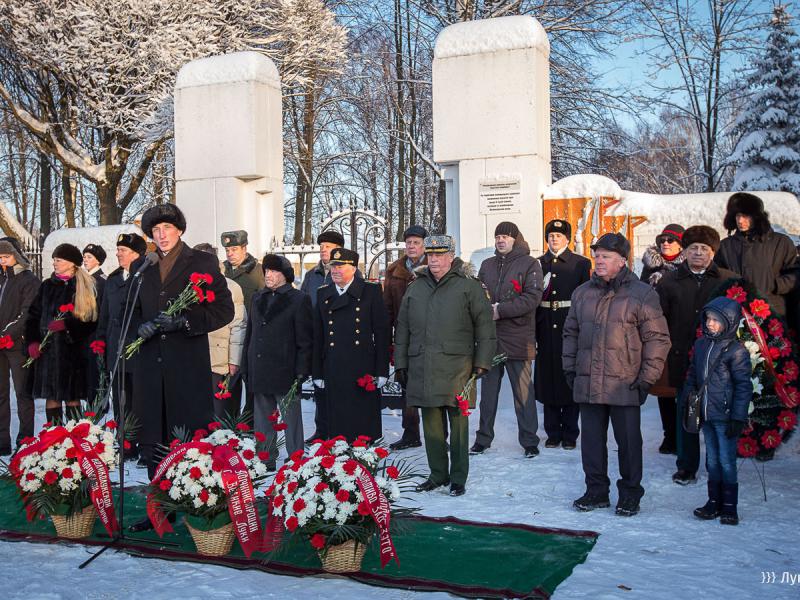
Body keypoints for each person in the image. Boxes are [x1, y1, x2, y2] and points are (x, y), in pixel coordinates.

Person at [128, 204, 234, 532]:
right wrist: (139, 327)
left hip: (186, 366)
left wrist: (184, 321)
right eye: (155, 230)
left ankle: (192, 502)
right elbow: (129, 311)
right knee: (153, 439)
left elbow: (224, 310)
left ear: (180, 230)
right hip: (150, 367)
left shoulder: (201, 262)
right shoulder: (143, 265)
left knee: (185, 438)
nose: (161, 235)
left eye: (167, 229)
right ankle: (160, 510)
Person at [563, 233, 670, 517]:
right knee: (591, 443)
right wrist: (570, 368)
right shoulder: (582, 293)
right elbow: (570, 333)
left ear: (622, 261)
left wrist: (648, 377)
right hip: (588, 379)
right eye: (597, 255)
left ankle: (630, 494)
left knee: (629, 443)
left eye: (606, 256)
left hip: (626, 381)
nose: (599, 261)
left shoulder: (642, 294)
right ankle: (596, 491)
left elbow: (658, 339)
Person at [394, 235, 496, 497]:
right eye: (431, 255)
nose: (434, 260)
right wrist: (401, 363)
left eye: (440, 255)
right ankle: (438, 474)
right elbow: (403, 328)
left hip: (458, 367)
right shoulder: (416, 287)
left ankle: (458, 478)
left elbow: (485, 327)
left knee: (459, 426)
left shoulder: (469, 286)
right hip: (423, 366)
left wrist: (482, 362)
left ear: (451, 257)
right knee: (431, 425)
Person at [657, 226, 737, 485]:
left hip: (719, 361)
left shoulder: (728, 280)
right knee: (687, 413)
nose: (699, 253)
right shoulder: (669, 282)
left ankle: (719, 464)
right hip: (683, 359)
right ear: (685, 251)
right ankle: (686, 466)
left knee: (718, 415)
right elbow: (659, 320)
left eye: (704, 248)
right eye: (693, 248)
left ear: (713, 252)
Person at [472, 221, 543, 458]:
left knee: (523, 393)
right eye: (497, 237)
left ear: (515, 239)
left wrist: (500, 310)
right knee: (488, 393)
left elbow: (532, 298)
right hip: (491, 339)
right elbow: (478, 294)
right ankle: (483, 439)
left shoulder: (530, 264)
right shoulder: (487, 265)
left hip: (518, 337)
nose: (500, 240)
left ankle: (529, 441)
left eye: (505, 236)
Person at [685, 297, 751, 526]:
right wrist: (688, 399)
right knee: (712, 460)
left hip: (725, 416)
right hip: (706, 414)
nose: (710, 323)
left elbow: (743, 386)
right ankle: (714, 501)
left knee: (726, 461)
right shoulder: (701, 345)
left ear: (729, 322)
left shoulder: (736, 351)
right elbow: (693, 374)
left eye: (716, 320)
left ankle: (730, 506)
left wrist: (738, 416)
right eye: (708, 319)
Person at [312, 248, 389, 442]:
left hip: (362, 366)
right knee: (337, 421)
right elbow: (318, 336)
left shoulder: (370, 291)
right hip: (333, 366)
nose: (335, 270)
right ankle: (339, 456)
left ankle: (364, 456)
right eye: (333, 266)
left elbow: (382, 333)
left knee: (363, 421)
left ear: (354, 268)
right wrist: (317, 372)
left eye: (341, 266)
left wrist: (381, 371)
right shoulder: (323, 293)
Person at [243, 254, 312, 467]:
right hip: (260, 367)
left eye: (274, 271)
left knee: (291, 419)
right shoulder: (258, 297)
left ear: (285, 275)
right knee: (263, 418)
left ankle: (296, 459)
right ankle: (266, 458)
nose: (268, 275)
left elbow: (305, 339)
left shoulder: (298, 299)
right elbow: (250, 333)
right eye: (266, 271)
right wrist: (247, 364)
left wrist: (301, 370)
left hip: (285, 369)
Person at [25, 243, 98, 424]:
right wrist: (33, 341)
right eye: (54, 260)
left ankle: (76, 436)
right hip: (48, 354)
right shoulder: (47, 286)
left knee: (72, 397)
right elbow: (33, 316)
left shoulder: (83, 286)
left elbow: (91, 321)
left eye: (59, 260)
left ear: (71, 263)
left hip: (73, 355)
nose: (55, 263)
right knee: (52, 397)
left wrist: (67, 325)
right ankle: (53, 437)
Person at [535, 219, 591, 450]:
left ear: (567, 238)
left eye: (559, 235)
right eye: (551, 235)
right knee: (548, 378)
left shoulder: (580, 263)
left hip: (570, 326)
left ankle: (570, 432)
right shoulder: (538, 264)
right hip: (545, 326)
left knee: (569, 377)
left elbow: (586, 298)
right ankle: (552, 432)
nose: (554, 239)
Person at [95, 232, 147, 457]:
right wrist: (100, 339)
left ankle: (144, 443)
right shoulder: (113, 279)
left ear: (136, 254)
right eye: (118, 250)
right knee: (120, 398)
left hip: (139, 346)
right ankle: (125, 442)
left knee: (140, 398)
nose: (118, 254)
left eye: (123, 250)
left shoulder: (145, 277)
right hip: (116, 345)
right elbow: (105, 314)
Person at [383, 225, 428, 450]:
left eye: (416, 242)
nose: (411, 246)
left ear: (424, 245)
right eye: (408, 242)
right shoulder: (394, 271)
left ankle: (440, 436)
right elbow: (387, 309)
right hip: (404, 336)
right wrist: (388, 340)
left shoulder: (434, 266)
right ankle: (411, 434)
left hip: (429, 335)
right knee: (406, 387)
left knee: (433, 385)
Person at [715, 192, 796, 315]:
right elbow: (717, 275)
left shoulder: (781, 242)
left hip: (772, 311)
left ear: (757, 217)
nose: (740, 221)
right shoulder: (725, 246)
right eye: (737, 216)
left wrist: (775, 285)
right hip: (736, 311)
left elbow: (795, 273)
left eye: (745, 216)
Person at [302, 230, 346, 441]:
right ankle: (321, 430)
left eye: (327, 247)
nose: (323, 250)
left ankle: (339, 430)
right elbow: (303, 303)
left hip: (340, 340)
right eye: (321, 247)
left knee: (339, 387)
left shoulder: (349, 272)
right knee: (319, 386)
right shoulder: (312, 275)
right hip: (316, 339)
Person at [195, 243, 246, 421]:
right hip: (194, 358)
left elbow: (239, 325)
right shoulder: (189, 286)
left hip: (219, 360)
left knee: (220, 413)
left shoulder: (230, 287)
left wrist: (234, 360)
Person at [0, 238, 40, 455]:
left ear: (16, 255)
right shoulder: (2, 278)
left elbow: (27, 313)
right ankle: (2, 441)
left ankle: (25, 440)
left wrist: (7, 334)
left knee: (23, 393)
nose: (2, 261)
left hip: (18, 344)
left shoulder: (28, 280)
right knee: (1, 394)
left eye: (6, 256)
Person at [221, 230, 264, 423]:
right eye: (227, 250)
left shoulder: (257, 271)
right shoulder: (222, 270)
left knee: (251, 383)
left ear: (245, 248)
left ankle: (249, 425)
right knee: (229, 384)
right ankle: (229, 424)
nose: (230, 254)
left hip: (251, 334)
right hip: (228, 335)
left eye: (234, 249)